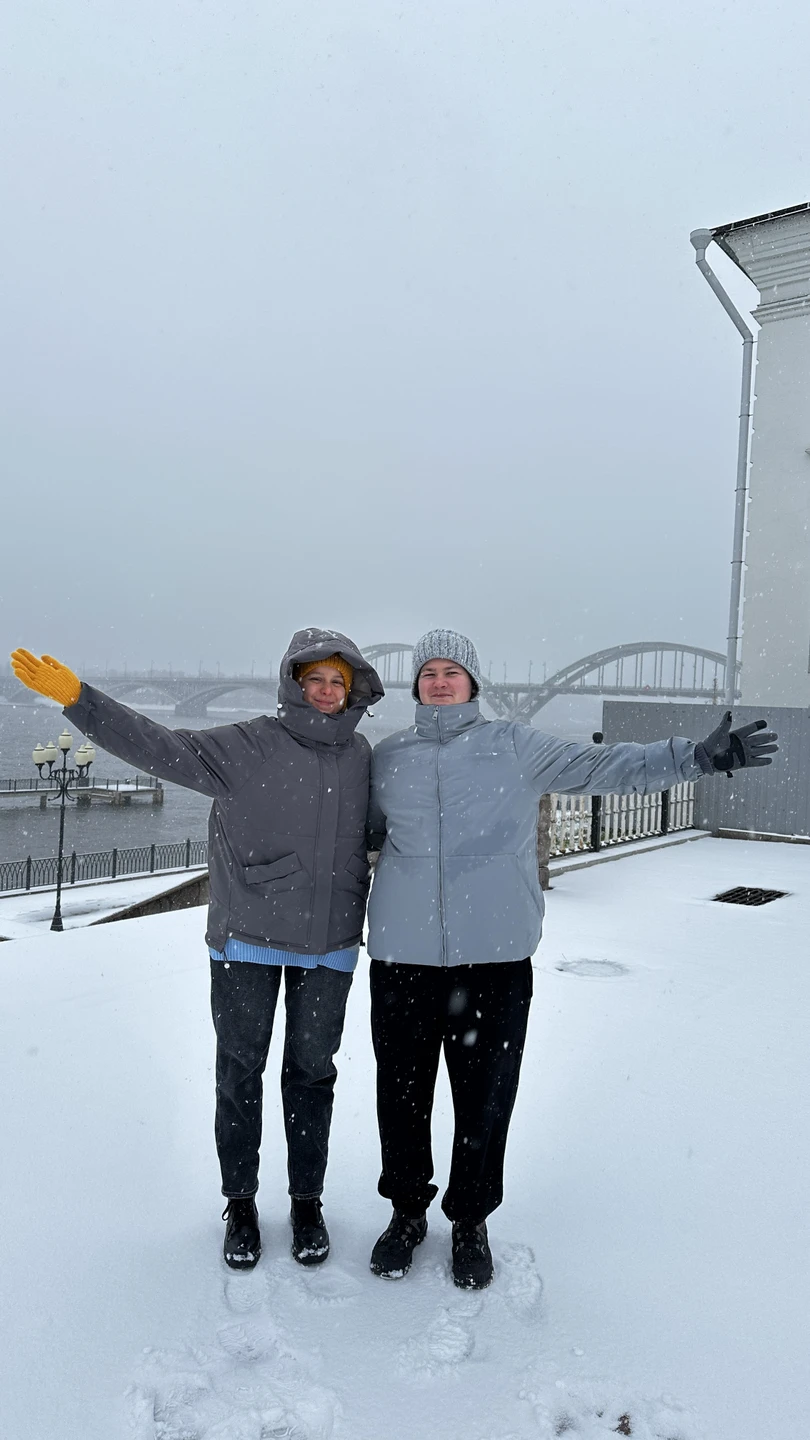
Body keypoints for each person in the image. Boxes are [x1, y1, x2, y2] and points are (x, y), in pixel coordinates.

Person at [364, 628, 777, 1290]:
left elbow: (608, 767)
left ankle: (470, 1220)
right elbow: (345, 828)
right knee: (401, 1097)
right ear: (416, 685)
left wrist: (696, 757)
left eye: (452, 671)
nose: (439, 681)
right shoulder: (388, 758)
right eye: (429, 672)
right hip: (403, 960)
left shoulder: (514, 748)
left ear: (474, 681)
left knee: (485, 1099)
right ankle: (406, 1214)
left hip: (493, 959)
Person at [11, 632, 384, 1271]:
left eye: (338, 683)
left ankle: (305, 1201)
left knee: (312, 1078)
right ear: (294, 684)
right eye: (315, 679)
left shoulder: (361, 756)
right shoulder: (245, 744)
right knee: (241, 1075)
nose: (326, 691)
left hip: (329, 946)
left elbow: (381, 830)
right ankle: (240, 1203)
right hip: (248, 941)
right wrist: (80, 701)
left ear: (352, 692)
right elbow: (158, 746)